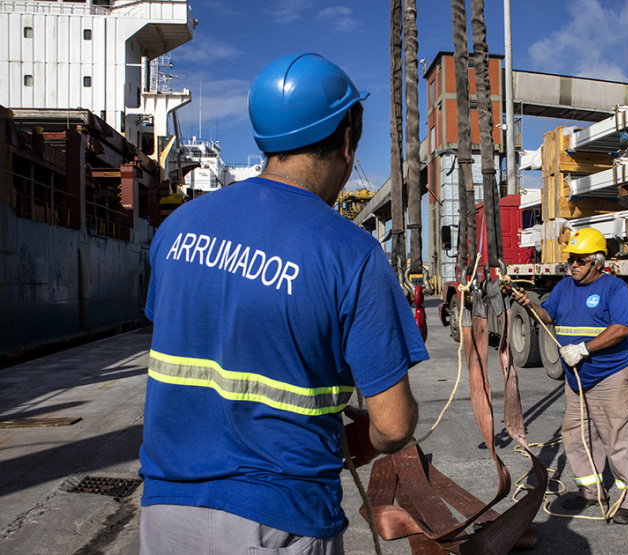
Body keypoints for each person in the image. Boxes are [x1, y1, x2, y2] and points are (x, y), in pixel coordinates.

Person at [138, 53, 428, 555]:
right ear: (346, 140)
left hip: (165, 513)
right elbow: (394, 424)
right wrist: (364, 441)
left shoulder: (176, 230)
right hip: (278, 521)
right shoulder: (351, 253)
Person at [513, 228, 628, 524]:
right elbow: (547, 315)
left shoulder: (614, 288)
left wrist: (584, 349)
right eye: (571, 259)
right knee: (576, 437)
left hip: (611, 376)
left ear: (598, 262)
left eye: (580, 260)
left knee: (619, 438)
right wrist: (529, 305)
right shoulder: (563, 288)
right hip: (576, 380)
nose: (573, 264)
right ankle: (591, 492)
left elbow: (621, 329)